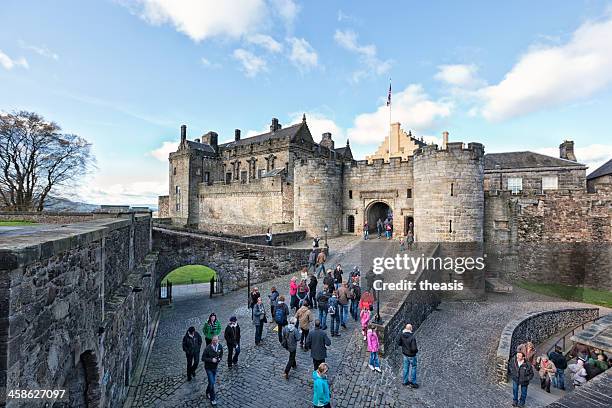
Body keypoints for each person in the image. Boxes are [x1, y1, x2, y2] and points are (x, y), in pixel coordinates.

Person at [202, 335, 223, 405]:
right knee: (212, 382)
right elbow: (203, 358)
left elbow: (221, 354)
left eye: (216, 340)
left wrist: (219, 359)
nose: (215, 342)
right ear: (212, 341)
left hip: (215, 367)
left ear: (218, 340)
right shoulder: (207, 348)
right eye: (214, 340)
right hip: (208, 368)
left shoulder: (219, 346)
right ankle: (213, 399)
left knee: (211, 382)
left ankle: (207, 391)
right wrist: (211, 360)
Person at [398, 323, 418, 388]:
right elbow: (414, 348)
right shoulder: (412, 337)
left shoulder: (402, 335)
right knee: (413, 367)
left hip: (405, 354)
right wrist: (416, 351)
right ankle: (413, 382)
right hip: (411, 355)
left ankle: (405, 381)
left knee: (405, 367)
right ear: (411, 329)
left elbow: (399, 343)